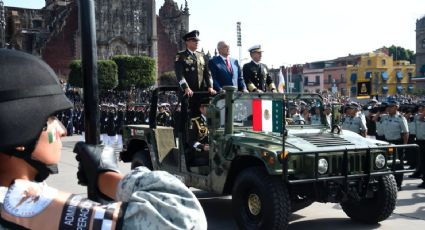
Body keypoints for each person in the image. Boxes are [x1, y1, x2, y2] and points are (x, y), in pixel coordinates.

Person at [0, 49, 207, 229]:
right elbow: (184, 218)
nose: (62, 129)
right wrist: (106, 177)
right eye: (52, 118)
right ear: (19, 130)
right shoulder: (21, 205)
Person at [175, 30, 216, 118]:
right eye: (194, 40)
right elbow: (179, 74)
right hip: (187, 92)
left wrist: (210, 87)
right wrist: (186, 88)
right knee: (186, 116)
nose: (196, 42)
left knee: (201, 115)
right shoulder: (181, 55)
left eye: (197, 41)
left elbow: (207, 73)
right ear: (187, 42)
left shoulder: (201, 55)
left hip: (200, 91)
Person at [381, 100, 409, 190]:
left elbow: (405, 133)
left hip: (397, 143)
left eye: (391, 106)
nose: (389, 108)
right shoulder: (385, 117)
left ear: (396, 107)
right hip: (387, 142)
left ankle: (398, 184)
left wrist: (404, 146)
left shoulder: (401, 118)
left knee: (398, 164)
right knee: (387, 164)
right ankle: (390, 184)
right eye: (388, 106)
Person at [188, 99, 210, 166]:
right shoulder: (194, 122)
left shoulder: (216, 121)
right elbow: (191, 141)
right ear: (201, 109)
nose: (211, 109)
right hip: (200, 153)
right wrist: (202, 147)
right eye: (208, 107)